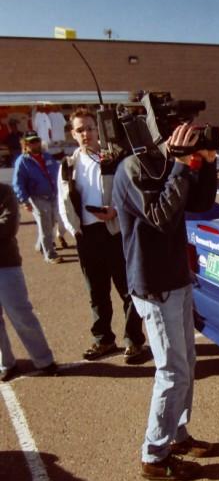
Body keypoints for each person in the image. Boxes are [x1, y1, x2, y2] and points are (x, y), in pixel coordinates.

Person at [113, 121, 217, 481]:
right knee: (172, 372)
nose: (185, 138)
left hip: (177, 279)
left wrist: (204, 162)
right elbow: (159, 215)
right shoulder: (133, 168)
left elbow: (201, 203)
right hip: (154, 285)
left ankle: (178, 435)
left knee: (186, 362)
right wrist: (179, 166)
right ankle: (154, 455)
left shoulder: (168, 167)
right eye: (180, 133)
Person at [58, 107, 147, 364]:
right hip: (86, 236)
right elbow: (62, 200)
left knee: (128, 290)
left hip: (114, 232)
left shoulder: (113, 159)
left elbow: (131, 194)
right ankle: (104, 340)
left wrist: (115, 212)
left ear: (98, 130)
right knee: (96, 293)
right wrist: (74, 230)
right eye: (79, 130)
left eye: (89, 128)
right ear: (73, 134)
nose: (85, 134)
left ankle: (134, 341)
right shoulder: (68, 165)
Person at [0, 183, 58, 381]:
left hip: (5, 264)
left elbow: (8, 225)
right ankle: (5, 363)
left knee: (21, 314)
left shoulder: (4, 191)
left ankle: (44, 360)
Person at [13, 132, 61, 264]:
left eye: (37, 141)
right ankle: (50, 254)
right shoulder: (22, 161)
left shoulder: (47, 156)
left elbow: (57, 172)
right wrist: (24, 200)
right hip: (37, 197)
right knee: (45, 226)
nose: (35, 144)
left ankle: (41, 245)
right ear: (26, 145)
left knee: (51, 223)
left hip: (52, 195)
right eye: (32, 142)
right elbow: (18, 183)